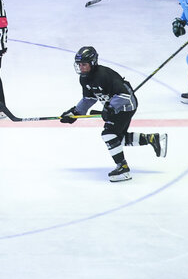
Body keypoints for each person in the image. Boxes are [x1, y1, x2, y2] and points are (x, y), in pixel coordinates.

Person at [59, 46, 167, 182]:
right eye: (79, 65)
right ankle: (152, 139)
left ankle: (123, 168)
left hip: (125, 107)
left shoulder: (103, 75)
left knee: (108, 135)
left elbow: (126, 96)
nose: (81, 67)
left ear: (93, 63)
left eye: (84, 64)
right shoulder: (84, 79)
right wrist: (75, 113)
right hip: (115, 108)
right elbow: (89, 98)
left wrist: (110, 107)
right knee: (117, 139)